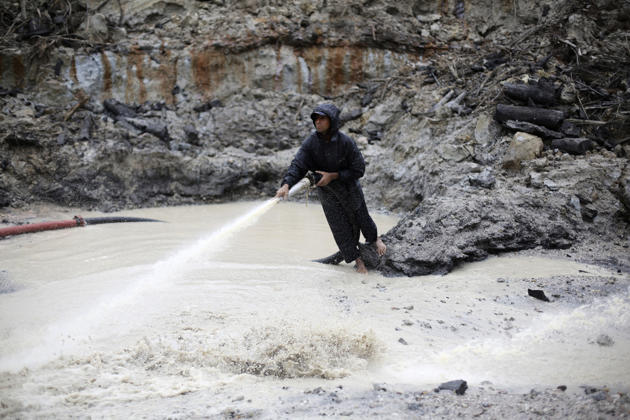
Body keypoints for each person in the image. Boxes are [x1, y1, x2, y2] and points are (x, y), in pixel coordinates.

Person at [275, 103, 386, 274]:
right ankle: (357, 260)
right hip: (325, 190)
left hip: (347, 184)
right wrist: (287, 184)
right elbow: (298, 164)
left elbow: (359, 169)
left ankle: (374, 239)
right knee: (339, 225)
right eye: (315, 119)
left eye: (322, 118)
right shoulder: (311, 143)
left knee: (360, 214)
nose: (318, 122)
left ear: (332, 121)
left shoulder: (345, 142)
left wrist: (332, 176)